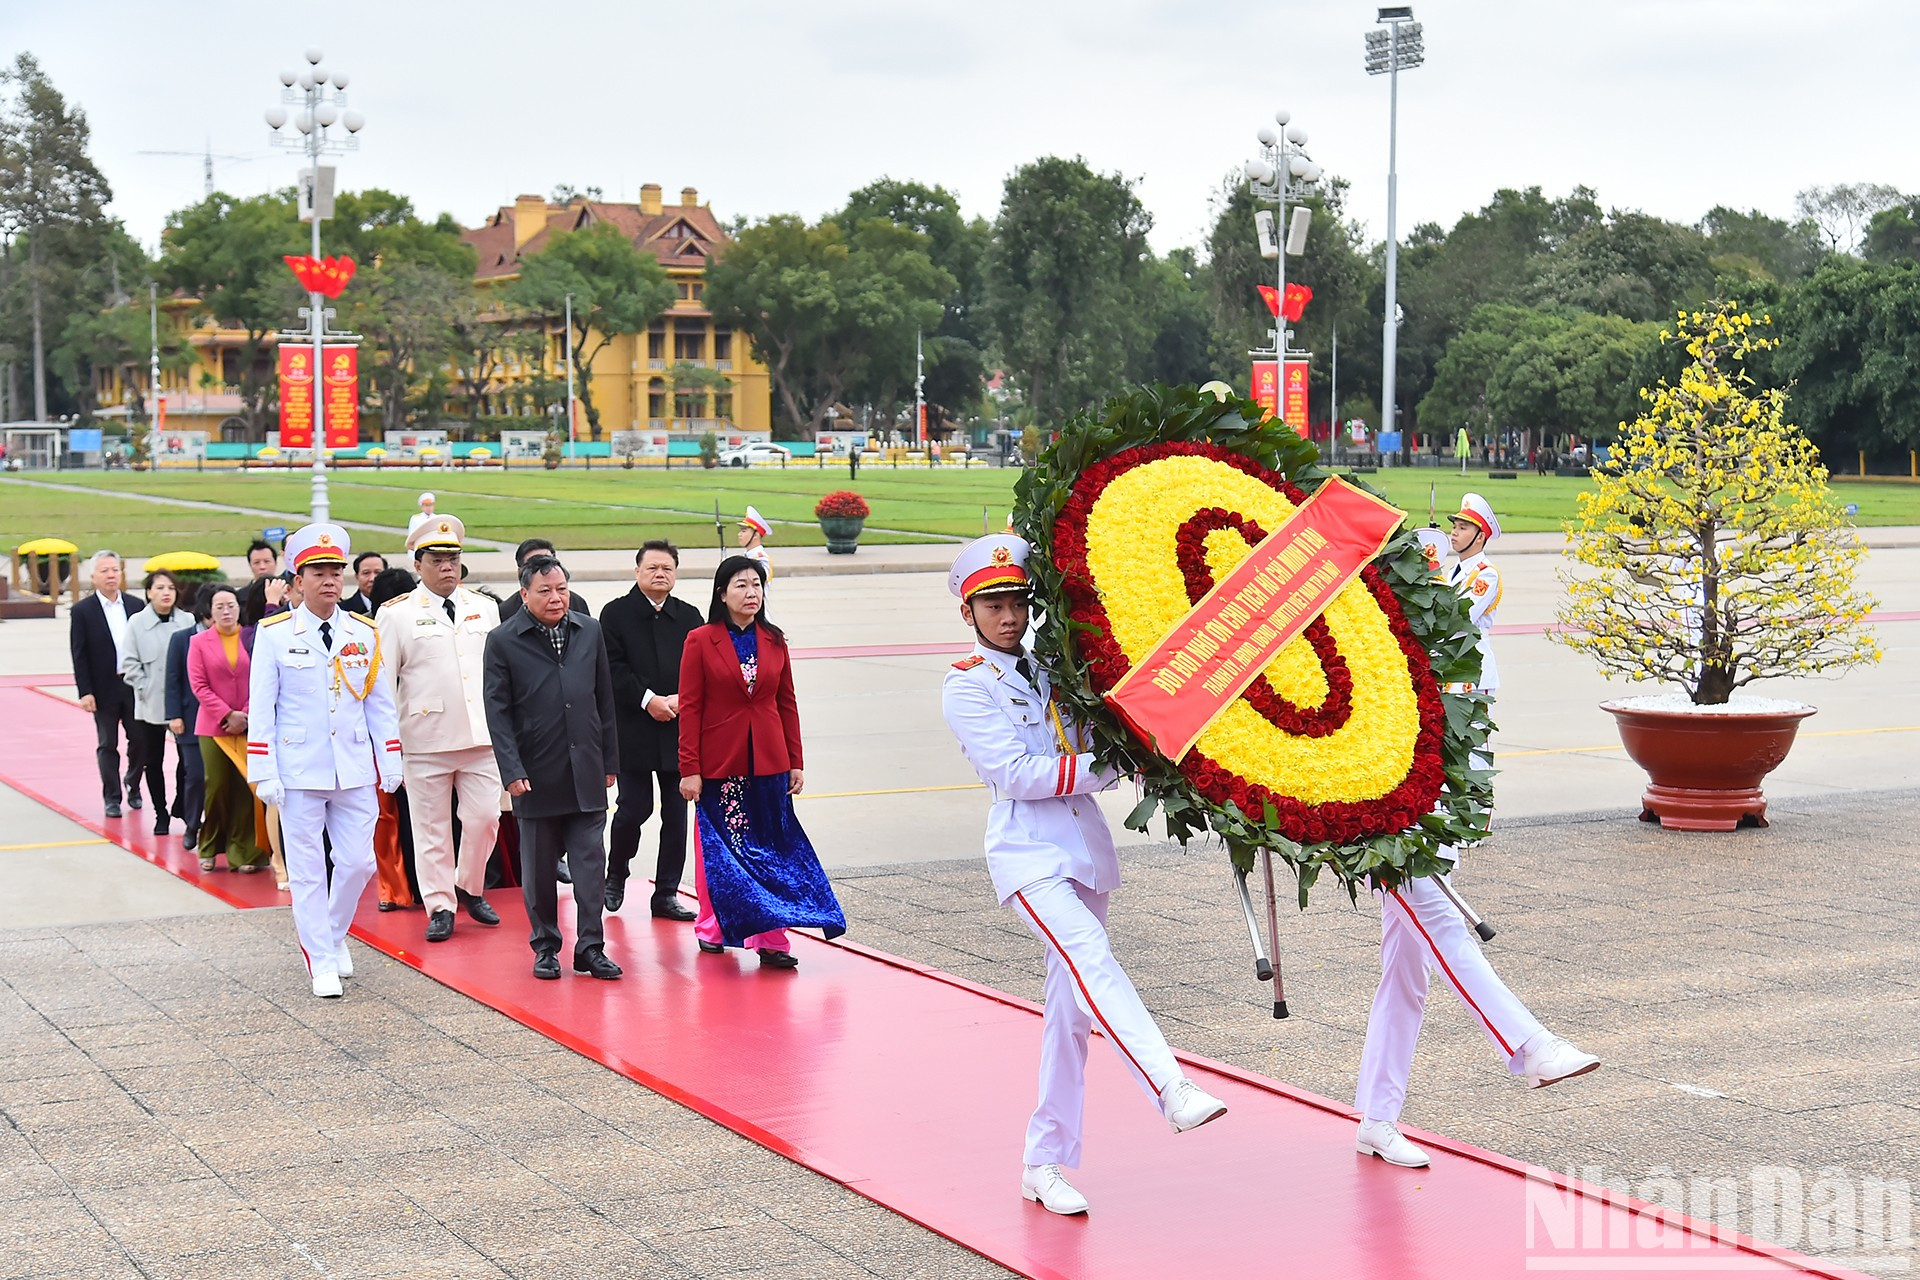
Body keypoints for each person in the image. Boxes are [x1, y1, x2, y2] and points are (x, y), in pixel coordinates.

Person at [939, 533, 1227, 1216]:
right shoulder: (965, 685)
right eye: (993, 605)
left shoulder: (1052, 667)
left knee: (1069, 1016)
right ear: (968, 613)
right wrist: (1111, 766)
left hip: (1085, 851)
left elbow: (1105, 730)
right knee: (1092, 959)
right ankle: (1170, 1087)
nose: (1008, 616)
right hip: (1029, 854)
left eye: (1016, 602)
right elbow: (1014, 774)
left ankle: (1044, 1162)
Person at [1353, 494, 1600, 1170]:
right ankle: (1527, 1048)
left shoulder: (1455, 654)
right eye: (1424, 589)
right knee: (1445, 933)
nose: (1435, 601)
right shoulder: (1384, 657)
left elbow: (1470, 745)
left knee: (1406, 979)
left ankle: (1378, 1117)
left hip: (1433, 825)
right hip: (1387, 834)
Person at [247, 523, 402, 998]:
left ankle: (333, 936)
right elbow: (263, 708)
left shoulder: (364, 631)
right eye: (319, 571)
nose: (331, 580)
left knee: (358, 863)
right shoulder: (274, 635)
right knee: (310, 871)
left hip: (353, 765)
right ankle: (320, 959)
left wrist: (390, 757)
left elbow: (379, 702)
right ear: (298, 578)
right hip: (298, 768)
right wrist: (264, 771)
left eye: (336, 571)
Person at [677, 556, 844, 969]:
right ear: (722, 593)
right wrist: (689, 768)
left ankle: (772, 938)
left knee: (771, 848)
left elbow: (786, 702)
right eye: (741, 586)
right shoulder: (700, 640)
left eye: (757, 585)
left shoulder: (774, 640)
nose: (752, 593)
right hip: (720, 763)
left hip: (770, 762)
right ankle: (712, 926)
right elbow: (691, 708)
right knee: (719, 849)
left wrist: (795, 761)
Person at [483, 554, 622, 981]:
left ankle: (590, 947)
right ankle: (545, 945)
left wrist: (610, 760)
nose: (556, 598)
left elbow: (605, 701)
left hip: (586, 768)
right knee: (540, 871)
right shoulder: (502, 640)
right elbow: (498, 712)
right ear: (524, 594)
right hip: (535, 775)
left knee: (589, 865)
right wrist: (511, 770)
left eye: (561, 589)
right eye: (545, 591)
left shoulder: (589, 630)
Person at [376, 515, 502, 943]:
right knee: (430, 829)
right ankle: (440, 904)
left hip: (481, 735)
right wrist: (389, 746)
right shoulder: (396, 615)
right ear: (418, 563)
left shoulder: (483, 608)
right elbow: (382, 684)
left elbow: (498, 674)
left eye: (454, 558)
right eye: (438, 559)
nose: (448, 566)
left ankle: (469, 884)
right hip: (424, 737)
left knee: (484, 818)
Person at [601, 539, 703, 919]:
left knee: (677, 814)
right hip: (634, 729)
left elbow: (701, 667)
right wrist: (649, 700)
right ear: (637, 572)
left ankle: (666, 893)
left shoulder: (689, 616)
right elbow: (612, 669)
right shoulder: (615, 614)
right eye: (652, 568)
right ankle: (616, 873)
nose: (660, 574)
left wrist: (681, 700)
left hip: (680, 728)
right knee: (634, 808)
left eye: (667, 569)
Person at [187, 585, 268, 875]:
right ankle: (208, 845)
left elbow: (261, 678)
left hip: (248, 725)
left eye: (231, 605)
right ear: (209, 611)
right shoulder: (199, 642)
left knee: (247, 789)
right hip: (213, 727)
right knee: (217, 787)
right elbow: (199, 685)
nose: (226, 611)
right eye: (219, 606)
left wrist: (244, 714)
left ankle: (244, 851)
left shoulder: (250, 638)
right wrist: (226, 714)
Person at [70, 550, 146, 818]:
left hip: (134, 685)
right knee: (107, 744)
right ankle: (112, 797)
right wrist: (85, 691)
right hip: (103, 688)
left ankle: (133, 784)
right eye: (105, 571)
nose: (111, 575)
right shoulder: (83, 611)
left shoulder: (137, 606)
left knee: (140, 740)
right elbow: (79, 653)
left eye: (115, 570)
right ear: (93, 577)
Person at [120, 569, 195, 836]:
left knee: (188, 760)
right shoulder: (137, 623)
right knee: (152, 760)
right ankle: (160, 812)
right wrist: (144, 686)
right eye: (160, 588)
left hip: (183, 703)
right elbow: (128, 662)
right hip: (150, 702)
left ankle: (182, 805)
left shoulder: (187, 620)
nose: (166, 593)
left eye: (171, 588)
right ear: (149, 592)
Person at [367, 566, 422, 912]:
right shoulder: (371, 635)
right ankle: (400, 887)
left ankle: (397, 889)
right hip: (396, 740)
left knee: (391, 818)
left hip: (401, 739)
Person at [165, 585, 212, 848]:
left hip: (224, 721)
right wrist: (173, 715)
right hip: (190, 719)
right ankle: (192, 824)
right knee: (194, 775)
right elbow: (172, 680)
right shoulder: (182, 639)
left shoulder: (232, 638)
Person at [497, 538, 591, 624]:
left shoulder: (577, 603)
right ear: (520, 572)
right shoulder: (505, 611)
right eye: (544, 591)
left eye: (548, 561)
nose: (544, 568)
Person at [736, 507, 773, 587]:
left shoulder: (761, 559)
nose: (739, 534)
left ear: (756, 535)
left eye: (744, 531)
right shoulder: (749, 556)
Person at [344, 551, 386, 616]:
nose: (372, 578)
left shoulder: (396, 608)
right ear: (357, 577)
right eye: (366, 573)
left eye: (378, 572)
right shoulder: (344, 610)